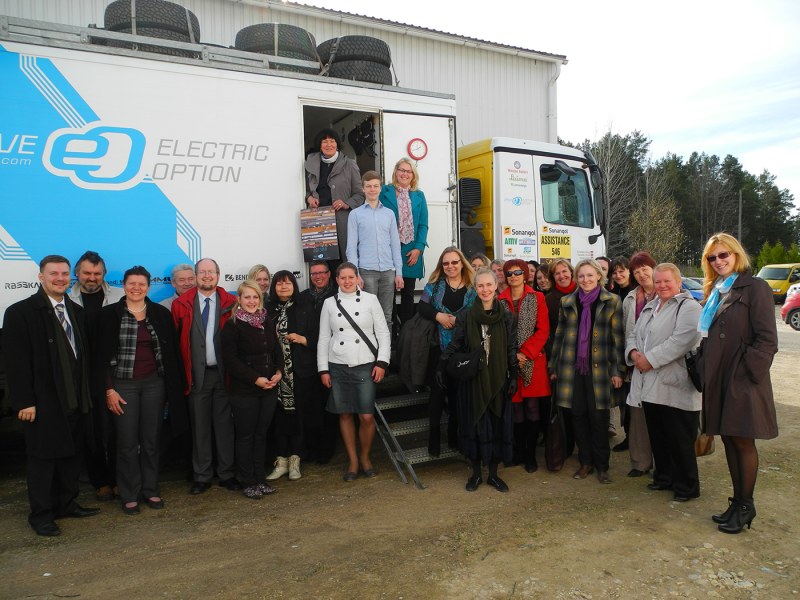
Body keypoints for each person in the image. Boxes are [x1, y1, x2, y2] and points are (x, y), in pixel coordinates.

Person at [4, 255, 99, 536]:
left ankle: (66, 504)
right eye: (54, 273)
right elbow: (16, 363)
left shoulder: (75, 311)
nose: (60, 278)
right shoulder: (20, 312)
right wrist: (25, 401)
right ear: (41, 277)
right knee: (43, 460)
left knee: (71, 455)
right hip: (43, 402)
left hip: (75, 399)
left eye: (64, 274)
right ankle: (41, 515)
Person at [699, 233, 778, 534]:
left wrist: (746, 372)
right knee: (729, 439)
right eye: (712, 257)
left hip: (742, 378)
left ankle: (746, 506)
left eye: (724, 255)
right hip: (719, 376)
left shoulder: (755, 287)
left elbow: (767, 339)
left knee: (743, 441)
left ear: (736, 254)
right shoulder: (716, 290)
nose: (718, 261)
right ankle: (738, 502)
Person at [97, 266, 184, 515]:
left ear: (148, 286)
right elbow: (99, 358)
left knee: (151, 441)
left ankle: (151, 489)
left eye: (142, 284)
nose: (136, 288)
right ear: (124, 285)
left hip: (154, 384)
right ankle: (129, 493)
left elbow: (171, 353)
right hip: (122, 385)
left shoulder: (160, 313)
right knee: (126, 442)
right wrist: (108, 389)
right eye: (131, 283)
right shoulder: (109, 315)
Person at [626, 263, 702, 502]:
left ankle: (686, 486)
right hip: (650, 385)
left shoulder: (689, 307)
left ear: (678, 282)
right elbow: (633, 333)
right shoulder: (651, 306)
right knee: (659, 437)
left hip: (675, 385)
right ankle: (664, 477)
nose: (662, 285)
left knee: (680, 440)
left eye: (667, 281)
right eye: (658, 281)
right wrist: (633, 353)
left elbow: (681, 341)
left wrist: (649, 359)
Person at [440, 268, 517, 492]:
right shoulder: (466, 315)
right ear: (475, 288)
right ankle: (475, 474)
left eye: (489, 285)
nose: (485, 289)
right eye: (480, 285)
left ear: (496, 286)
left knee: (496, 424)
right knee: (475, 425)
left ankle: (493, 474)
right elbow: (456, 343)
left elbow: (511, 347)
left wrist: (513, 374)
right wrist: (442, 364)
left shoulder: (506, 315)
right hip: (473, 379)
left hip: (497, 378)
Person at [549, 259, 625, 484]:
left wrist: (618, 370)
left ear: (599, 276)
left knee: (599, 417)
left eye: (590, 275)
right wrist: (554, 366)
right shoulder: (567, 302)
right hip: (572, 368)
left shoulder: (612, 301)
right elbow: (559, 336)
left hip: (600, 369)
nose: (586, 280)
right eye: (581, 276)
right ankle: (585, 462)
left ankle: (602, 466)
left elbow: (617, 339)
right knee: (578, 415)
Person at [172, 258, 240, 495]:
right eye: (202, 272)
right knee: (199, 429)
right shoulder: (181, 304)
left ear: (218, 275)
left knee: (224, 427)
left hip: (224, 375)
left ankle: (227, 474)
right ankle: (202, 476)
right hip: (196, 376)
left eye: (211, 272)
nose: (207, 276)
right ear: (196, 276)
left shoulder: (232, 302)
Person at [318, 263, 391, 481]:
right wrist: (323, 369)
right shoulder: (329, 303)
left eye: (351, 277)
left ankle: (365, 457)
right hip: (338, 363)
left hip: (365, 362)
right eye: (343, 278)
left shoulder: (370, 300)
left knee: (366, 416)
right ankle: (353, 461)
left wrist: (382, 362)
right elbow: (324, 338)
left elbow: (383, 333)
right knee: (345, 413)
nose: (347, 281)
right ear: (337, 280)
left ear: (357, 278)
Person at [68, 250, 124, 502]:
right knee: (90, 431)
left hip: (113, 373)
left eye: (97, 273)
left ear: (104, 274)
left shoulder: (120, 297)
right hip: (81, 376)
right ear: (77, 273)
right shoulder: (66, 299)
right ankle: (100, 481)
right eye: (87, 273)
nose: (92, 278)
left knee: (116, 430)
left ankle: (118, 478)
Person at [221, 280, 283, 499]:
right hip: (244, 391)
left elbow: (276, 350)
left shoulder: (267, 321)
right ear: (239, 299)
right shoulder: (232, 326)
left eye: (255, 297)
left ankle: (260, 479)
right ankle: (247, 481)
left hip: (269, 388)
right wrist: (255, 379)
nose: (251, 301)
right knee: (246, 436)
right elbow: (231, 360)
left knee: (261, 434)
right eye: (247, 297)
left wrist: (279, 371)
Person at [417, 246, 477, 456]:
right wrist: (439, 316)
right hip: (438, 347)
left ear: (462, 263)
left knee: (457, 394)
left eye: (454, 262)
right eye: (446, 263)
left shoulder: (472, 287)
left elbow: (478, 311)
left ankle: (454, 437)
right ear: (441, 266)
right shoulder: (434, 286)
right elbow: (422, 306)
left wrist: (458, 319)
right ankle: (433, 438)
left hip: (463, 347)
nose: (450, 266)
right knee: (437, 393)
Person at [497, 259, 550, 473]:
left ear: (525, 274)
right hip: (509, 362)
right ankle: (518, 452)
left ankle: (531, 456)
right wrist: (511, 355)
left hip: (533, 361)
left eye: (518, 272)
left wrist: (524, 353)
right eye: (509, 273)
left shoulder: (537, 297)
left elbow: (543, 330)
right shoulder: (500, 300)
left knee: (532, 409)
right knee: (516, 409)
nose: (513, 276)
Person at [266, 271, 319, 480]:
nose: (283, 287)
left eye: (288, 283)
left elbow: (319, 336)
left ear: (294, 286)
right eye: (279, 284)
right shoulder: (267, 309)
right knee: (278, 417)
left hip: (301, 371)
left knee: (299, 416)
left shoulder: (305, 306)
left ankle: (296, 459)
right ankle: (281, 460)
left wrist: (303, 339)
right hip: (275, 373)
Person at [346, 170, 404, 331]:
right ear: (363, 188)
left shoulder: (389, 214)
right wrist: (355, 274)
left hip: (388, 272)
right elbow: (351, 248)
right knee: (368, 317)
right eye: (369, 186)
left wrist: (398, 273)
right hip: (366, 272)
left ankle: (386, 348)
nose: (372, 189)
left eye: (376, 186)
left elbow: (395, 245)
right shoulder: (355, 215)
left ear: (380, 188)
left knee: (387, 317)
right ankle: (370, 348)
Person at [379, 158, 429, 325]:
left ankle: (407, 331)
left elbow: (423, 225)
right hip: (388, 250)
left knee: (408, 293)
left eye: (409, 171)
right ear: (396, 171)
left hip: (411, 250)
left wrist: (419, 248)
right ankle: (391, 331)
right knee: (389, 294)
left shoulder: (419, 195)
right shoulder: (384, 191)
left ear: (413, 175)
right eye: (402, 170)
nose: (405, 174)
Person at [620, 251, 657, 475]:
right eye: (636, 272)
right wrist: (632, 354)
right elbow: (627, 331)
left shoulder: (668, 292)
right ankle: (640, 463)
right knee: (637, 415)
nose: (642, 274)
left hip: (661, 364)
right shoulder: (631, 298)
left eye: (645, 269)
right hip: (636, 364)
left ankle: (662, 466)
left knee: (660, 416)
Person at [305, 128, 365, 258]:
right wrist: (309, 198)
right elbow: (306, 190)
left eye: (332, 141)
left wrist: (346, 203)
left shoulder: (350, 164)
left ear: (337, 144)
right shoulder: (311, 165)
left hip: (342, 222)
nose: (329, 145)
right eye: (324, 141)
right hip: (318, 220)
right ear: (319, 146)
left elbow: (360, 195)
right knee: (321, 260)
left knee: (344, 260)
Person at [300, 260, 337, 462]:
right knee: (310, 406)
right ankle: (312, 447)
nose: (318, 276)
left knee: (328, 406)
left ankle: (327, 449)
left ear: (329, 274)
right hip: (308, 360)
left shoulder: (338, 295)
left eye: (322, 272)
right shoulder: (303, 297)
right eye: (314, 273)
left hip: (332, 359)